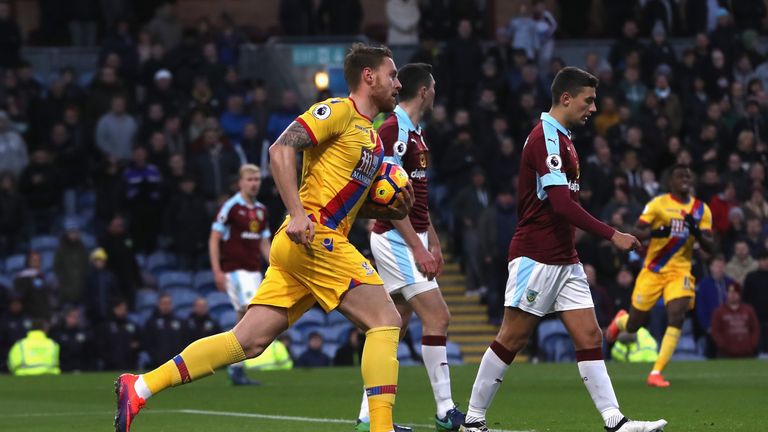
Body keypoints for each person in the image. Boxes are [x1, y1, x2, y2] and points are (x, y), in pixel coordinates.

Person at [115, 43, 413, 432]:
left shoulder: (372, 140)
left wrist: (388, 209)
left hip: (308, 245)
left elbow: (350, 204)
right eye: (392, 75)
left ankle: (140, 386)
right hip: (313, 237)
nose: (398, 83)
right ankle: (380, 427)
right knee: (386, 319)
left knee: (249, 341)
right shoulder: (337, 111)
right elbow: (280, 149)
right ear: (368, 76)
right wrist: (298, 213)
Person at [459, 67, 666, 432]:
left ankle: (615, 421)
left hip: (564, 257)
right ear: (566, 98)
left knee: (590, 335)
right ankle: (473, 421)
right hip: (536, 254)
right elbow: (560, 204)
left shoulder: (564, 138)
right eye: (588, 101)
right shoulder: (546, 139)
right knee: (513, 337)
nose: (593, 108)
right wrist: (610, 233)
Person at [362, 62, 465, 432]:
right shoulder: (392, 130)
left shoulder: (416, 133)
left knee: (395, 325)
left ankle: (365, 418)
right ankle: (444, 410)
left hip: (411, 235)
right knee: (438, 317)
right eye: (433, 87)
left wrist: (432, 240)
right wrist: (417, 248)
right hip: (393, 238)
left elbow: (415, 197)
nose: (435, 93)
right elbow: (385, 198)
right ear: (424, 91)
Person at [607, 164, 715, 388]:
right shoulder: (658, 204)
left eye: (688, 175)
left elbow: (711, 246)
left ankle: (656, 372)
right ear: (671, 182)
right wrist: (657, 232)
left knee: (677, 315)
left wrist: (695, 231)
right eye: (679, 175)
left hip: (680, 270)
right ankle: (621, 321)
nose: (685, 178)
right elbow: (635, 231)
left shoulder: (701, 210)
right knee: (636, 323)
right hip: (653, 270)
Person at [209, 163, 271, 385]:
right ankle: (234, 363)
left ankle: (236, 366)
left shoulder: (261, 210)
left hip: (254, 270)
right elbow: (215, 238)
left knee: (244, 317)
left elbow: (264, 241)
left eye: (257, 180)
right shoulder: (231, 207)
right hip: (235, 270)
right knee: (248, 311)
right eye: (250, 180)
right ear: (241, 182)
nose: (254, 184)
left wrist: (276, 265)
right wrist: (217, 270)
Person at [710, 282, 760, 357]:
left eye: (735, 292)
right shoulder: (719, 312)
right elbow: (715, 331)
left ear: (740, 294)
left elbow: (755, 329)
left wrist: (751, 345)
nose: (732, 295)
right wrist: (723, 345)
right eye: (730, 292)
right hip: (725, 355)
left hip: (747, 354)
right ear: (726, 294)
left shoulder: (749, 310)